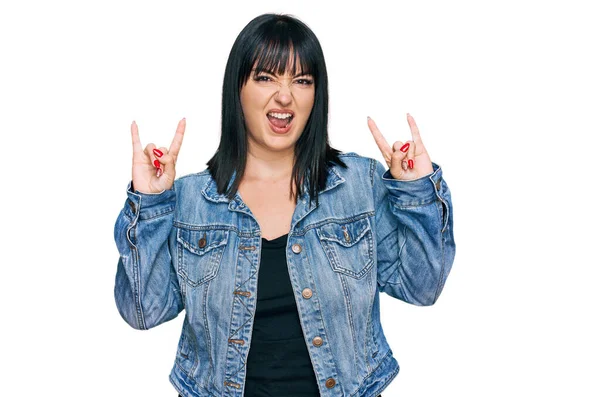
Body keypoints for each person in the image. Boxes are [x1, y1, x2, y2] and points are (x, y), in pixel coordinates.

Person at [114, 13, 455, 397]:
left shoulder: (360, 184)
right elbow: (143, 311)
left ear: (316, 94)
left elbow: (422, 288)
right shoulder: (192, 201)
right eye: (265, 77)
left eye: (302, 80)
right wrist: (151, 202)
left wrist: (416, 191)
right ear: (237, 89)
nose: (284, 95)